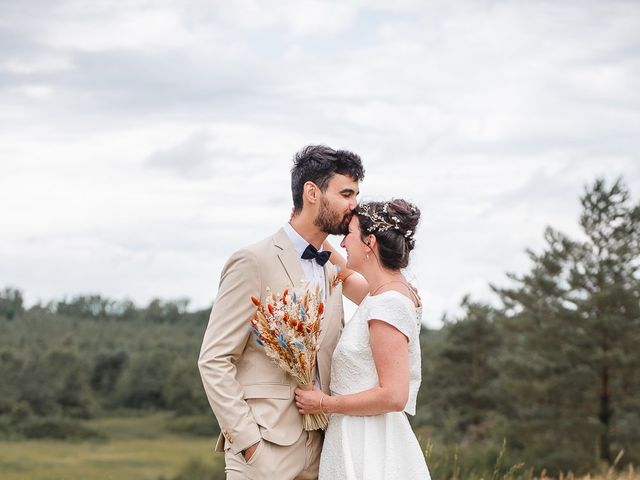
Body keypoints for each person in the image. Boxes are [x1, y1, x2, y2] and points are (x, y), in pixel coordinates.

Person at [198, 145, 365, 480]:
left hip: (326, 448)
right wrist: (248, 442)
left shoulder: (333, 269)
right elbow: (214, 358)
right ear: (312, 193)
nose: (354, 206)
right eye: (346, 193)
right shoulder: (253, 261)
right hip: (266, 448)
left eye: (356, 195)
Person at [294, 199, 431, 480]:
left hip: (368, 444)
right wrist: (309, 230)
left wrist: (323, 404)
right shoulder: (388, 293)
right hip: (361, 434)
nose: (343, 243)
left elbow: (394, 395)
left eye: (349, 234)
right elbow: (344, 274)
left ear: (369, 242)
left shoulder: (388, 303)